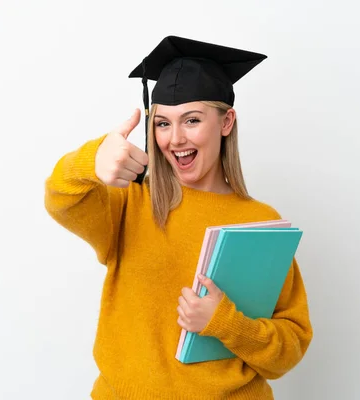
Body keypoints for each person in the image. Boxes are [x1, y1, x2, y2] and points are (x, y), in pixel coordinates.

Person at [44, 36, 313, 399]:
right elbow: (60, 198)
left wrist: (225, 323)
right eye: (162, 123)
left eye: (192, 120)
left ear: (226, 122)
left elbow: (289, 348)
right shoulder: (132, 202)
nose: (175, 139)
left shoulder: (258, 221)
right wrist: (91, 161)